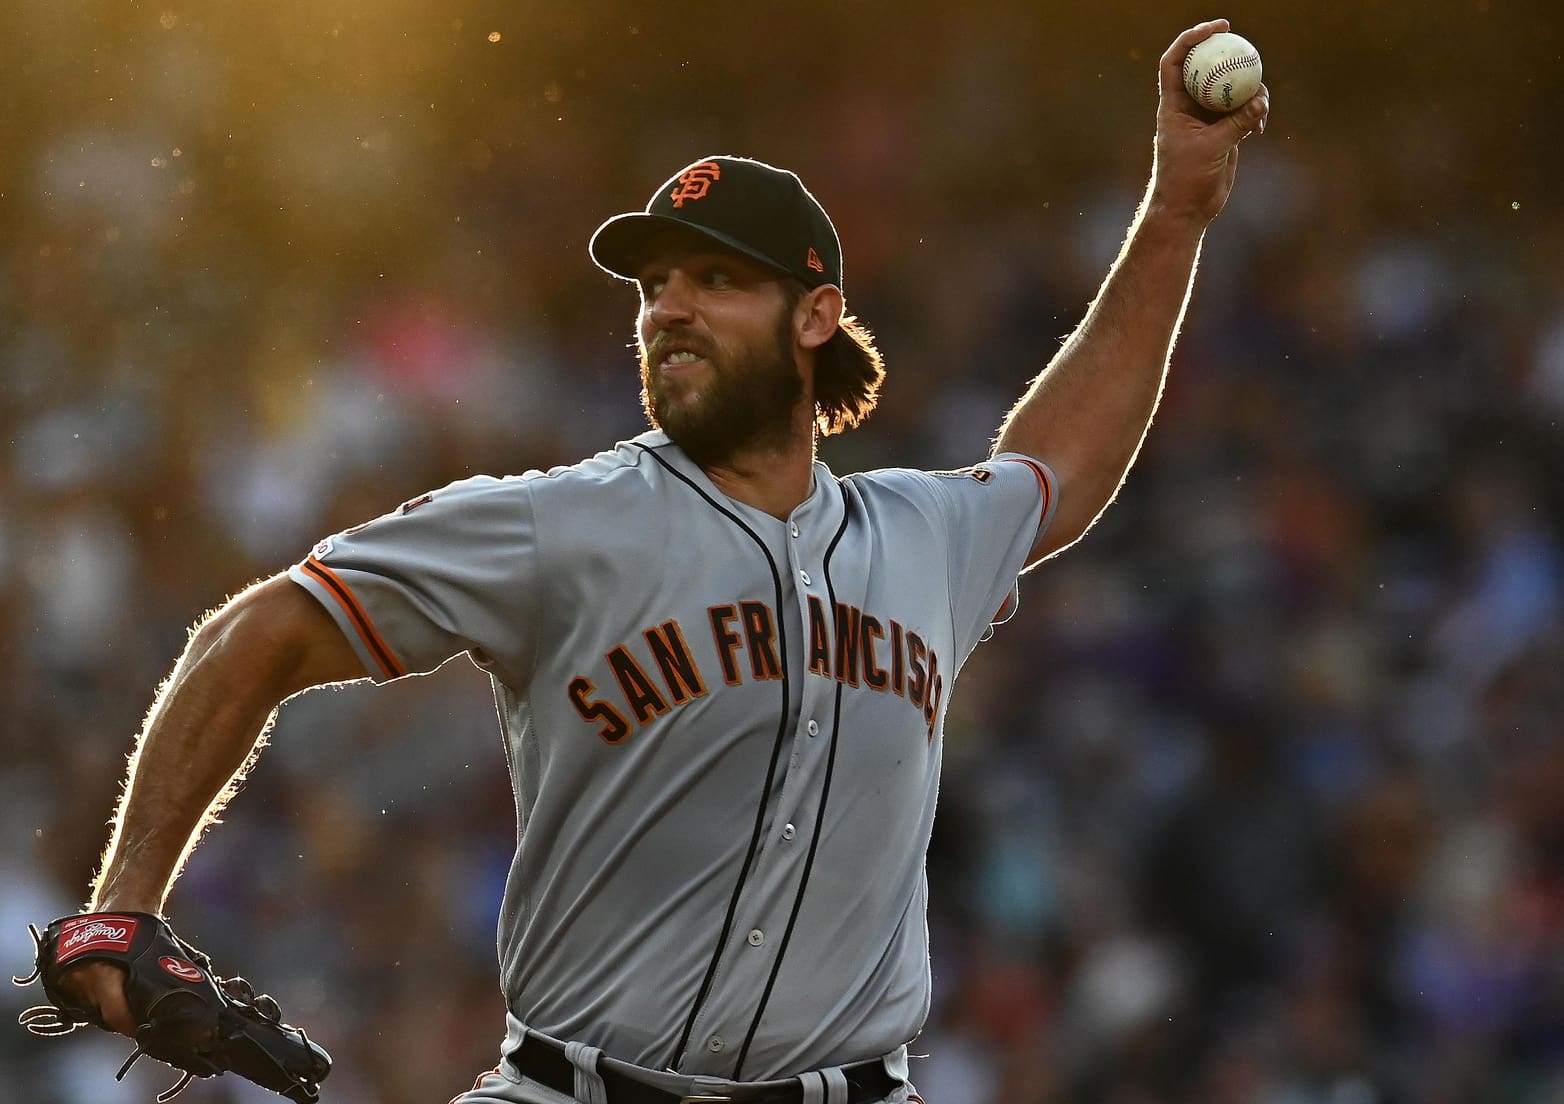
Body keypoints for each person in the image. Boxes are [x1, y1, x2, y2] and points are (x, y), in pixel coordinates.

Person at [57, 20, 1268, 1104]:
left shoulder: (923, 537)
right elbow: (254, 632)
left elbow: (1057, 465)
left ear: (812, 315)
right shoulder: (558, 522)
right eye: (654, 284)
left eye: (716, 278)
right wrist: (126, 905)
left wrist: (1172, 216)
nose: (667, 307)